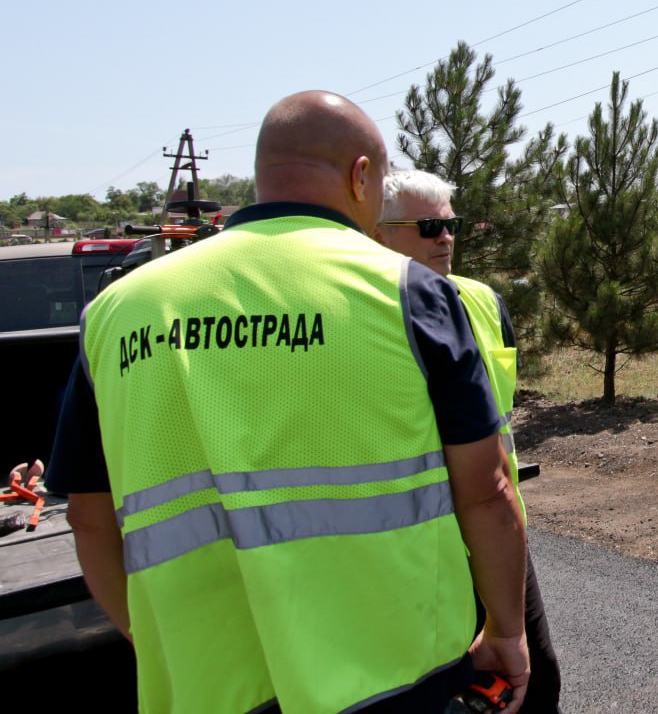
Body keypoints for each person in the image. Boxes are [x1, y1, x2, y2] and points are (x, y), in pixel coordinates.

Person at [47, 91, 529, 714]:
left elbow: (88, 516)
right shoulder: (407, 293)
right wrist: (507, 630)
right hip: (394, 678)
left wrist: (160, 642)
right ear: (362, 175)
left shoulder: (116, 312)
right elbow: (486, 490)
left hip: (206, 685)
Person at [376, 169, 563, 714]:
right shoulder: (362, 313)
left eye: (451, 225)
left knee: (537, 679)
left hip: (496, 527)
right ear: (379, 233)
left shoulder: (483, 301)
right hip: (417, 542)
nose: (446, 238)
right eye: (430, 226)